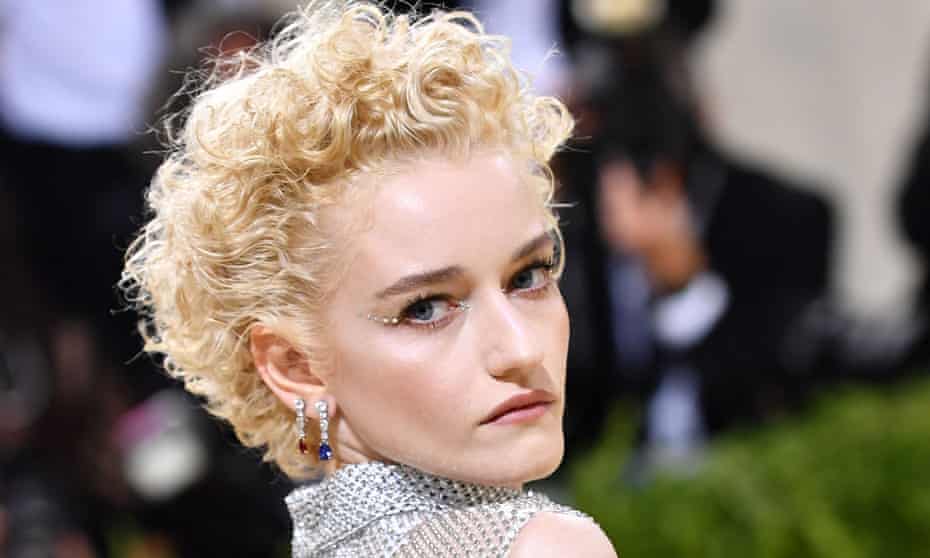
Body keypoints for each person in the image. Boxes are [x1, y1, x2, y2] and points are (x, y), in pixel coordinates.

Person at [120, 1, 617, 556]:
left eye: (528, 276)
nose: (520, 349)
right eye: (426, 308)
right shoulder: (542, 546)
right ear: (295, 365)